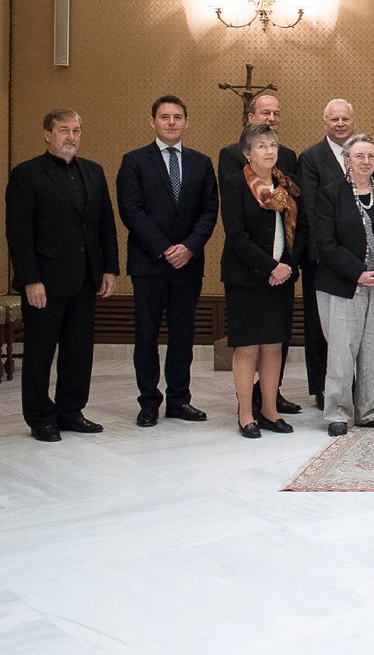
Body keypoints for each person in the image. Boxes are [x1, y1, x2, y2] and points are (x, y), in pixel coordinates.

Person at [6, 109, 119, 442]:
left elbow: (105, 225)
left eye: (76, 130)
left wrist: (109, 268)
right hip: (45, 282)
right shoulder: (27, 174)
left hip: (85, 279)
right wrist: (30, 279)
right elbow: (18, 233)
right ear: (47, 134)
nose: (71, 137)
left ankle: (71, 412)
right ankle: (40, 417)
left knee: (79, 351)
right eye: (63, 130)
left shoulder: (94, 171)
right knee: (41, 353)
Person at [115, 94, 217, 426]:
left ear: (186, 122)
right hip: (149, 264)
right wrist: (163, 248)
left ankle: (178, 400)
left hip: (188, 264)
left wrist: (187, 247)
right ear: (152, 122)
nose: (171, 122)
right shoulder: (134, 160)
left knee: (182, 335)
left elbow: (208, 211)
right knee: (146, 335)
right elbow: (131, 210)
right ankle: (148, 402)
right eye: (164, 117)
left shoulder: (201, 162)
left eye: (177, 117)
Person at [312, 134, 374, 437]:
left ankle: (369, 410)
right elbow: (326, 244)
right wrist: (359, 272)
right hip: (343, 285)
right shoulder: (330, 195)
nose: (365, 162)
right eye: (359, 156)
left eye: (370, 156)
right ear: (347, 161)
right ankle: (337, 412)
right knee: (342, 349)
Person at [217, 93, 303, 415]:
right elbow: (236, 233)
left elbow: (299, 225)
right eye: (262, 146)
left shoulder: (287, 179)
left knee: (274, 345)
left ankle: (269, 408)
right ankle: (245, 414)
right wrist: (269, 266)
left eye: (272, 146)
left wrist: (287, 265)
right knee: (248, 346)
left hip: (281, 274)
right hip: (247, 274)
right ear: (247, 153)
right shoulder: (235, 177)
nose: (269, 151)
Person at [297, 98, 357, 410]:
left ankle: (353, 385)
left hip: (360, 259)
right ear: (325, 123)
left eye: (345, 119)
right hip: (322, 256)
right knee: (320, 325)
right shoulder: (311, 157)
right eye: (334, 119)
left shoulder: (363, 153)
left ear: (353, 121)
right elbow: (311, 207)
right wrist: (331, 250)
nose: (340, 124)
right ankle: (322, 386)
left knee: (354, 327)